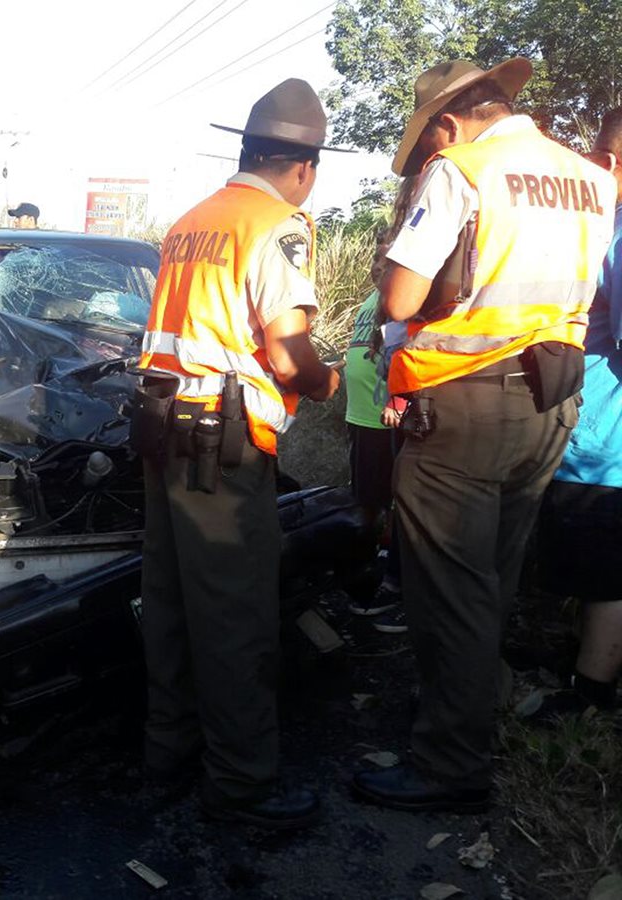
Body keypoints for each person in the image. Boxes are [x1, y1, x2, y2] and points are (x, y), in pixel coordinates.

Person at [352, 59, 618, 813]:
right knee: (493, 576)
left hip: (463, 403)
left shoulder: (462, 169)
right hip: (550, 403)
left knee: (450, 587)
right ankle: (472, 707)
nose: (430, 151)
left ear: (447, 121)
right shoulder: (592, 179)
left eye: (429, 138)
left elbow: (400, 296)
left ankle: (451, 763)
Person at [134, 78, 344, 830]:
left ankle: (169, 751)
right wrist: (326, 383)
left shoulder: (192, 221)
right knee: (234, 612)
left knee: (170, 599)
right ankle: (242, 783)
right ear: (304, 168)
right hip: (221, 447)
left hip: (163, 428)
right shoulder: (277, 224)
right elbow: (286, 354)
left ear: (248, 151)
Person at [536, 107, 622, 714]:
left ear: (610, 162)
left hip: (606, 445)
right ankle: (580, 664)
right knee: (590, 567)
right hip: (589, 435)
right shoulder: (605, 227)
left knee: (605, 573)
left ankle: (590, 694)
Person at [344, 177, 417, 630]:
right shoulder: (370, 302)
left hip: (385, 420)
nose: (377, 266)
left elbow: (403, 355)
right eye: (376, 259)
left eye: (386, 261)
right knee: (365, 496)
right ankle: (364, 559)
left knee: (388, 500)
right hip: (360, 418)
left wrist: (397, 398)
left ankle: (386, 571)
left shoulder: (401, 304)